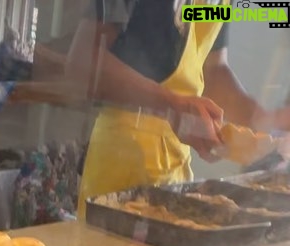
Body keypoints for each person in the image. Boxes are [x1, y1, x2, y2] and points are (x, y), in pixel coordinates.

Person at [65, 0, 290, 216]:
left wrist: (269, 123)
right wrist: (171, 105)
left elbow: (213, 70)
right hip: (121, 159)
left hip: (175, 166)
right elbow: (82, 62)